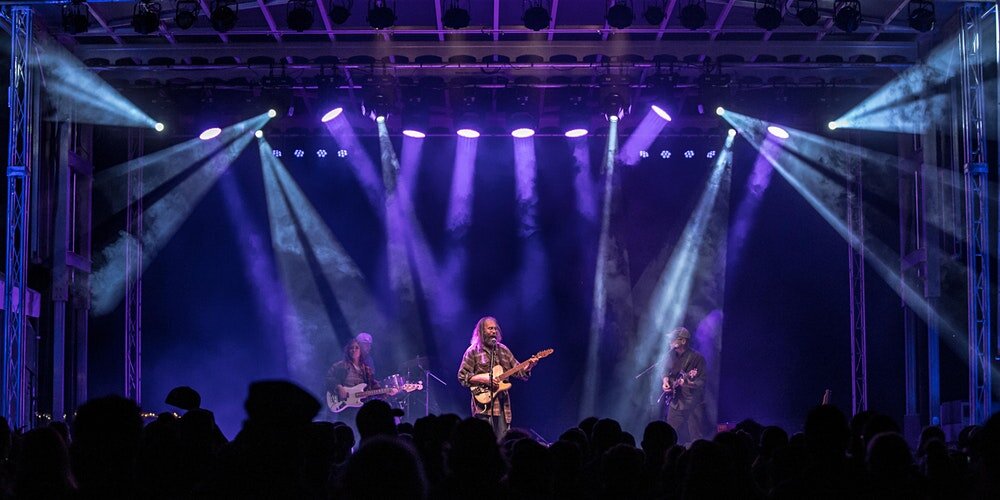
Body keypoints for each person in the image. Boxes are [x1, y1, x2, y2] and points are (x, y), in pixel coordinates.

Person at [457, 316, 538, 438]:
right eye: (490, 329)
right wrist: (484, 378)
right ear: (481, 331)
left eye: (495, 329)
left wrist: (529, 366)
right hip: (482, 407)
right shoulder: (472, 351)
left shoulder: (503, 350)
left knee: (502, 442)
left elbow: (519, 371)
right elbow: (462, 376)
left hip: (502, 406)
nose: (494, 331)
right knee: (484, 441)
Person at [326, 339, 397, 426]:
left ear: (361, 351)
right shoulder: (340, 365)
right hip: (344, 405)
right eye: (351, 348)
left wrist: (387, 392)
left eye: (357, 348)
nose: (354, 350)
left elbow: (374, 387)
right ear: (348, 350)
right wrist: (339, 387)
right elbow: (329, 377)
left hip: (360, 406)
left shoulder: (366, 369)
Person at [661, 326, 706, 444]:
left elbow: (702, 381)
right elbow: (665, 371)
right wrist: (665, 381)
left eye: (673, 339)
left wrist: (688, 383)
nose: (670, 341)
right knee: (668, 436)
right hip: (676, 402)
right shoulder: (670, 355)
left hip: (693, 403)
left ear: (683, 341)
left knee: (696, 439)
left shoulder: (697, 358)